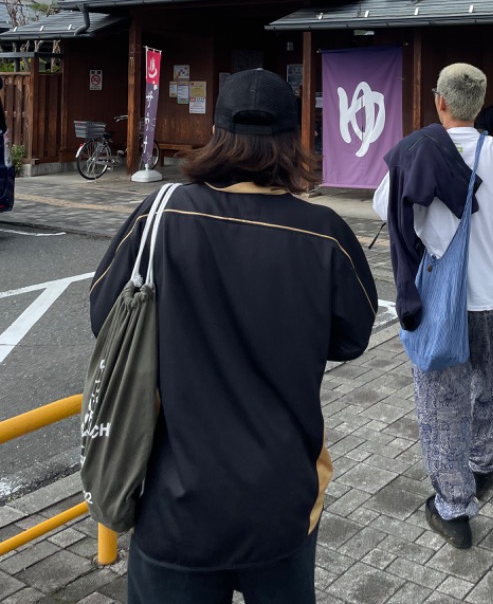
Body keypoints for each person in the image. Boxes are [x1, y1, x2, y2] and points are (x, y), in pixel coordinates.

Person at [89, 68, 378, 604]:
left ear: (216, 133)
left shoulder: (161, 214)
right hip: (283, 498)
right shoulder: (325, 234)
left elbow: (103, 317)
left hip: (174, 503)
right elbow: (350, 339)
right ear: (294, 140)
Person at [373, 62, 493, 549]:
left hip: (437, 303)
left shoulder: (415, 150)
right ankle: (481, 463)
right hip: (492, 298)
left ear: (441, 102)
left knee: (440, 404)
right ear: (482, 104)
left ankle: (453, 507)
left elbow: (380, 206)